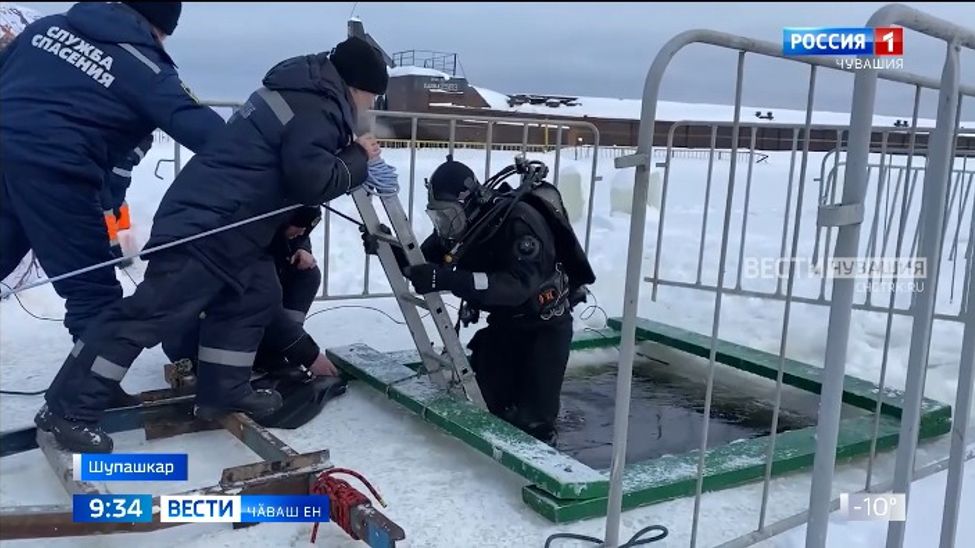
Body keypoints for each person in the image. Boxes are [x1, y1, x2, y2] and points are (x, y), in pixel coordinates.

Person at [36, 36, 389, 453]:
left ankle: (224, 389)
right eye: (372, 96)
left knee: (257, 293)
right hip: (208, 226)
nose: (370, 107)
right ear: (359, 86)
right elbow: (311, 179)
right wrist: (357, 158)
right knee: (146, 316)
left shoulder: (302, 91)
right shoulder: (319, 106)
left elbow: (279, 173)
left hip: (231, 227)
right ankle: (69, 409)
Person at [0, 1, 224, 341]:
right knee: (93, 293)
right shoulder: (145, 67)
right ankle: (89, 393)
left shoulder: (44, 29)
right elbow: (212, 136)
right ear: (158, 29)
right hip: (57, 176)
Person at [392, 157, 595, 444]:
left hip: (545, 328)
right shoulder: (460, 228)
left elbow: (517, 286)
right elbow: (425, 263)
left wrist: (448, 280)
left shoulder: (519, 222)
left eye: (447, 215)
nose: (443, 225)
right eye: (437, 217)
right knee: (488, 406)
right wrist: (391, 251)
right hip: (505, 326)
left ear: (470, 202)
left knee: (534, 424)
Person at [161, 207, 347, 429]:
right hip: (192, 340)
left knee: (305, 273)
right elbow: (266, 306)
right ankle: (221, 380)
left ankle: (270, 352)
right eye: (298, 227)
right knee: (261, 296)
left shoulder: (266, 227)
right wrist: (309, 354)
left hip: (229, 320)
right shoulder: (241, 239)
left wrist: (299, 246)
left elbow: (288, 234)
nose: (301, 232)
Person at [102, 134, 155, 268]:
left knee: (108, 210)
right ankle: (115, 248)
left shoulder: (141, 124)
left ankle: (114, 254)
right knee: (110, 209)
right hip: (110, 171)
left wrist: (130, 157)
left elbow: (146, 140)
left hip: (118, 173)